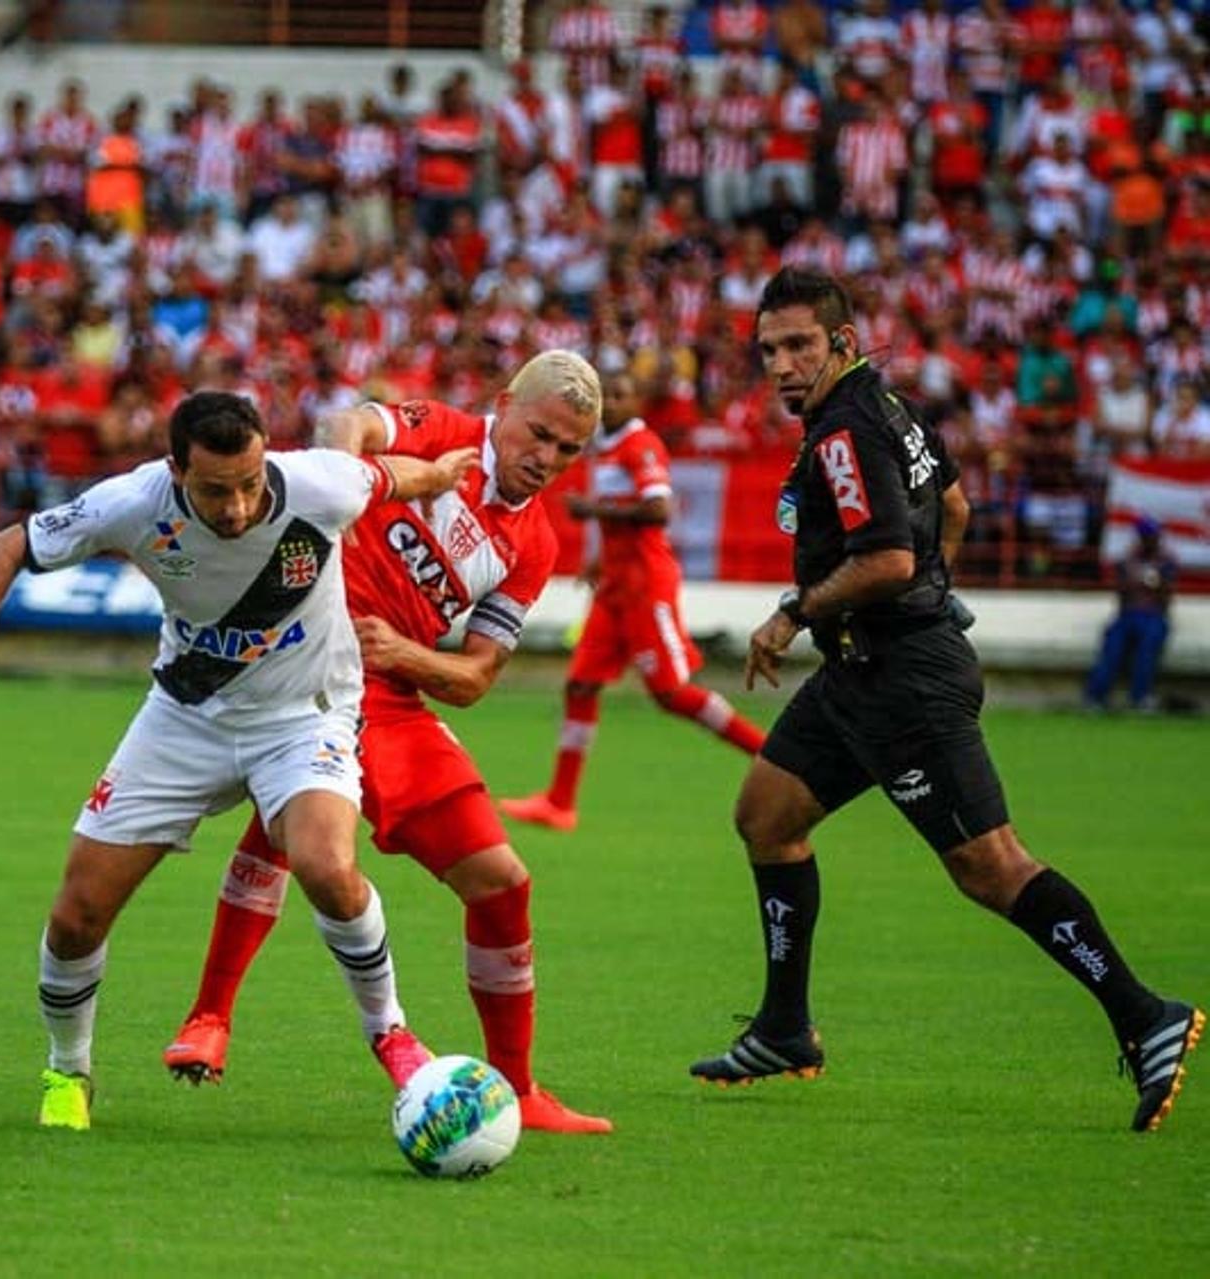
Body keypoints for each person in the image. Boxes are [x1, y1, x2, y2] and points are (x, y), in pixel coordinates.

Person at [690, 268, 1199, 1134]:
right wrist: (930, 590)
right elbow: (954, 505)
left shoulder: (847, 431)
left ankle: (1145, 1014)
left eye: (799, 344)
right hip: (862, 671)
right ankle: (783, 1028)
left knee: (991, 867)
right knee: (766, 814)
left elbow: (887, 558)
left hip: (902, 681)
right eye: (769, 348)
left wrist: (793, 614)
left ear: (842, 342)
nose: (780, 363)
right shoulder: (888, 408)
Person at [0, 390, 479, 1131]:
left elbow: (384, 477)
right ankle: (68, 1071)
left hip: (302, 716)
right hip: (185, 719)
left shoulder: (318, 483)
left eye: (250, 482)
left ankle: (393, 1034)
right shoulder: (131, 502)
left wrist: (436, 477)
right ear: (176, 468)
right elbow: (7, 548)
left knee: (324, 864)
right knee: (77, 914)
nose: (240, 506)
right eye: (216, 490)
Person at [164, 353, 615, 1135]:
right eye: (538, 433)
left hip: (388, 691)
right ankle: (210, 1014)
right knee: (294, 821)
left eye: (568, 449)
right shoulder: (437, 429)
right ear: (504, 407)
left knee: (501, 880)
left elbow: (475, 677)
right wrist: (351, 484)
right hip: (301, 651)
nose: (545, 457)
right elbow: (348, 425)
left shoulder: (533, 543)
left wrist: (408, 656)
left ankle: (520, 1087)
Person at [502, 370, 767, 834]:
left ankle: (771, 753)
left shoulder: (640, 446)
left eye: (622, 395)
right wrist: (601, 560)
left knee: (671, 693)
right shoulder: (606, 447)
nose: (614, 403)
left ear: (638, 401)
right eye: (608, 396)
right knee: (580, 685)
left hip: (646, 585)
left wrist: (594, 511)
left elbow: (659, 510)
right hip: (615, 587)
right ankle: (560, 803)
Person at [1084, 516, 1177, 711]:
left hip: (1153, 616)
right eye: (1147, 536)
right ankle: (1095, 697)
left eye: (1154, 536)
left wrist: (1153, 583)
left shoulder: (1166, 560)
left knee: (1147, 651)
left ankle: (1140, 697)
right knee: (1112, 648)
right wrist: (1139, 582)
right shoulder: (1127, 560)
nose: (1152, 540)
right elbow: (1121, 593)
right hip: (1127, 614)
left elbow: (1166, 597)